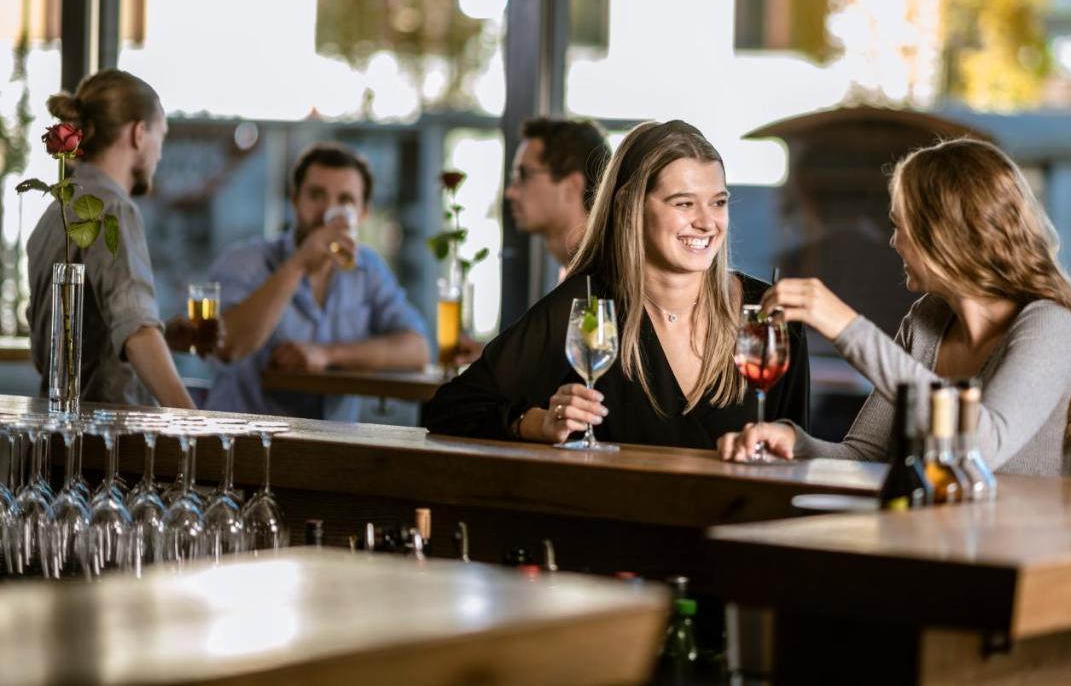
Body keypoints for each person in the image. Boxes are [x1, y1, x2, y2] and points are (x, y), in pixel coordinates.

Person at [718, 137, 1071, 479]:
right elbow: (866, 454)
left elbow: (980, 448)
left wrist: (847, 327)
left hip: (1021, 563)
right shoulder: (927, 322)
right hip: (942, 546)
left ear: (943, 237)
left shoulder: (1049, 325)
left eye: (900, 227)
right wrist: (796, 444)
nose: (893, 242)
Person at [426, 120, 809, 449]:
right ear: (630, 205)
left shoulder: (769, 315)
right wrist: (538, 423)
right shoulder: (590, 304)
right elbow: (452, 408)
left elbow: (798, 456)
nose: (708, 223)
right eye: (684, 204)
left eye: (718, 202)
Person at [203, 142, 430, 420]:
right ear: (295, 199)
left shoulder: (367, 269)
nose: (328, 213)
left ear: (363, 214)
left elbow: (417, 349)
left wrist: (326, 354)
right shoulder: (245, 260)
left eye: (345, 201)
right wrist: (298, 264)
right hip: (243, 443)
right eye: (316, 195)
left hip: (331, 450)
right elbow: (228, 346)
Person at [26, 69, 195, 408]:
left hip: (55, 435)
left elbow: (58, 341)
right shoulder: (113, 209)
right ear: (138, 133)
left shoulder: (54, 212)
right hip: (106, 446)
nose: (159, 153)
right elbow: (137, 333)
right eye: (160, 136)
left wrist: (161, 336)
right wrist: (198, 428)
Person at [505, 118, 611, 268]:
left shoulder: (603, 279)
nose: (511, 193)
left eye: (524, 175)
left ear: (572, 186)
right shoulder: (578, 271)